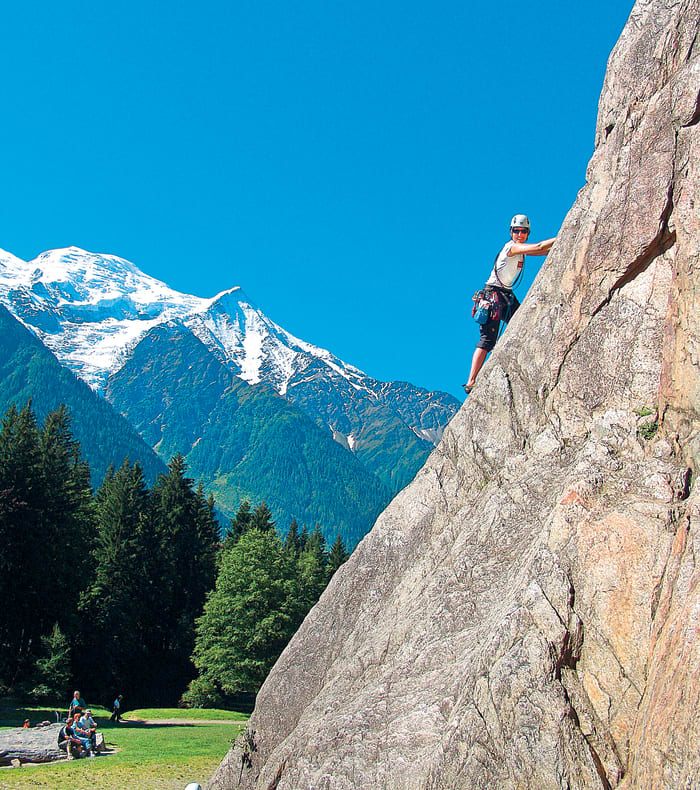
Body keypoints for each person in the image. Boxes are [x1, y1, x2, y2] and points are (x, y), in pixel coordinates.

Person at [464, 214, 555, 394]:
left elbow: (541, 251)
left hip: (505, 295)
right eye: (516, 231)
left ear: (527, 233)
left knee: (526, 324)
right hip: (493, 294)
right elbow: (538, 247)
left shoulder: (519, 249)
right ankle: (471, 381)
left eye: (523, 231)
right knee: (488, 339)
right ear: (511, 232)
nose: (519, 234)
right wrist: (563, 234)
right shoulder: (511, 247)